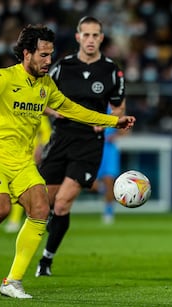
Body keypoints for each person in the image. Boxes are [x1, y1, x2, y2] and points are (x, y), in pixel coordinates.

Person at [0, 24, 135, 299]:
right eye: (43, 55)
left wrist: (112, 121)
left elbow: (73, 110)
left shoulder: (46, 85)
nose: (49, 61)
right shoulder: (2, 78)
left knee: (40, 208)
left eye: (51, 55)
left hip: (23, 160)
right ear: (27, 54)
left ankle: (12, 281)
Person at [35, 16, 126, 277]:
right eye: (86, 35)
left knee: (63, 204)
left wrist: (107, 124)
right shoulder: (62, 67)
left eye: (95, 35)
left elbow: (120, 107)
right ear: (78, 37)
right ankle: (50, 228)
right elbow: (40, 98)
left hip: (89, 143)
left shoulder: (111, 70)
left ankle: (46, 260)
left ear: (101, 37)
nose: (90, 40)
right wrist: (54, 112)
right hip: (60, 139)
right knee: (45, 205)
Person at [4, 115, 53, 233]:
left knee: (39, 187)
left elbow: (46, 133)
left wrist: (42, 149)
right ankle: (18, 219)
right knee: (18, 189)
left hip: (32, 157)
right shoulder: (13, 111)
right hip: (15, 155)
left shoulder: (35, 111)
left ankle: (41, 216)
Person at [91, 110, 124, 225]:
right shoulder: (92, 106)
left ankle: (108, 212)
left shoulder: (115, 110)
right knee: (91, 184)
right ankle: (107, 192)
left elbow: (125, 129)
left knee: (109, 181)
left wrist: (116, 134)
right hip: (94, 149)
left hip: (109, 150)